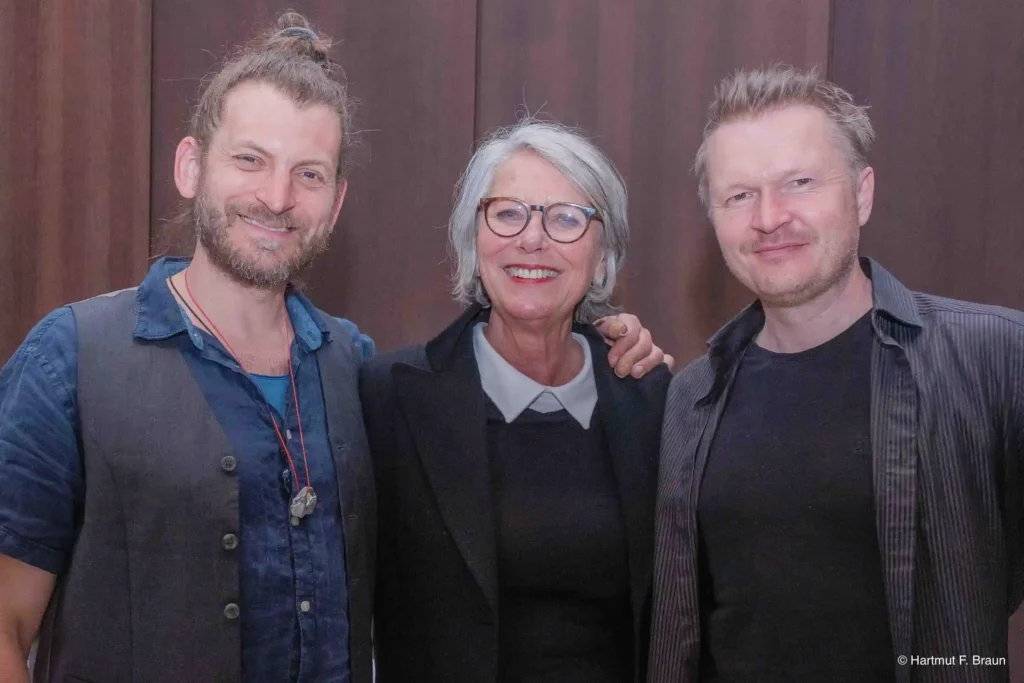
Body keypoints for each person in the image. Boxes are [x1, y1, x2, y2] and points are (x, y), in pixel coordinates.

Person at [0, 13, 668, 683]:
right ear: (190, 166)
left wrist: (610, 341)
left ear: (337, 201)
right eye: (250, 160)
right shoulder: (73, 361)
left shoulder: (357, 372)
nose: (277, 197)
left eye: (309, 174)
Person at [648, 65, 1024, 683]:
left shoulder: (995, 359)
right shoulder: (689, 398)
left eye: (799, 183)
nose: (769, 217)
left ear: (862, 193)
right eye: (739, 196)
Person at [360, 119, 673, 683]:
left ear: (603, 254)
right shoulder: (389, 397)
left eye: (566, 218)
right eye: (508, 213)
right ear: (472, 239)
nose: (532, 239)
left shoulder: (652, 399)